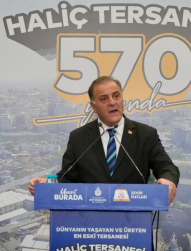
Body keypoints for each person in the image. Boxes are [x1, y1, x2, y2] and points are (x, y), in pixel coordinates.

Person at [29, 76, 179, 203]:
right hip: (91, 223)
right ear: (93, 107)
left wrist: (169, 180)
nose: (112, 102)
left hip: (134, 221)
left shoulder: (146, 134)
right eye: (104, 99)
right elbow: (67, 179)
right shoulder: (78, 138)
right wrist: (48, 185)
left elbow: (167, 167)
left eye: (116, 96)